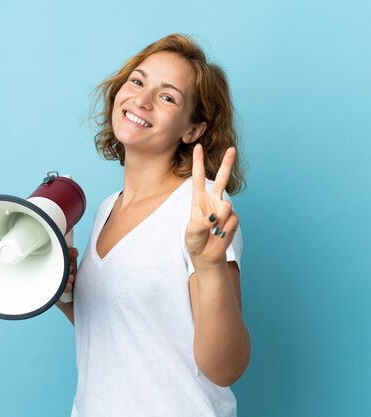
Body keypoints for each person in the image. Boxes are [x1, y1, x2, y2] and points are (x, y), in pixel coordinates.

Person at [55, 33, 250, 417]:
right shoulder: (108, 208)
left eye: (167, 96)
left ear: (192, 130)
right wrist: (62, 293)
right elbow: (125, 330)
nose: (141, 100)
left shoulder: (201, 209)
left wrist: (210, 266)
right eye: (138, 81)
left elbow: (226, 368)